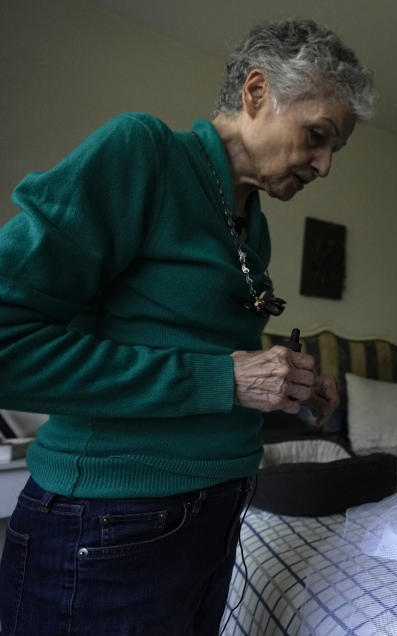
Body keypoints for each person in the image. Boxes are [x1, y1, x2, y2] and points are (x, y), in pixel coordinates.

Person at [0, 19, 374, 635]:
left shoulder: (255, 224)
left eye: (335, 148)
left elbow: (206, 359)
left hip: (217, 513)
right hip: (111, 525)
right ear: (256, 93)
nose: (326, 165)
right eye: (318, 135)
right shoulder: (142, 152)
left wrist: (283, 385)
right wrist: (223, 380)